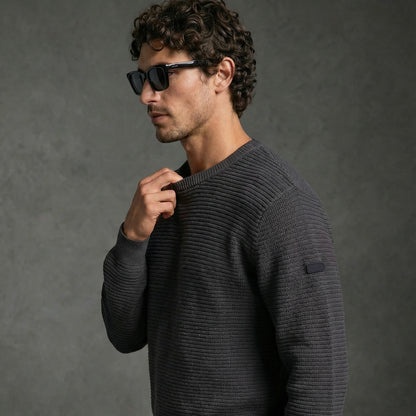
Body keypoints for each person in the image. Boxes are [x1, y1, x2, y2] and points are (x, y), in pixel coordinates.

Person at [101, 0, 348, 414]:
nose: (146, 95)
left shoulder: (279, 204)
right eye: (141, 78)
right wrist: (132, 239)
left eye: (162, 75)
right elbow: (124, 334)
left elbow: (321, 378)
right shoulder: (164, 200)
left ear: (222, 74)